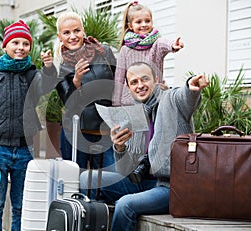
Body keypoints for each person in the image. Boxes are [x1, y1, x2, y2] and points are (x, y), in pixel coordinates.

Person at [80, 61, 209, 231]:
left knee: (125, 205)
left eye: (144, 79)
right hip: (139, 181)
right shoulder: (134, 114)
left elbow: (185, 97)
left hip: (170, 187)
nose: (140, 85)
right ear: (127, 86)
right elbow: (124, 170)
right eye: (134, 82)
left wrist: (190, 85)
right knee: (86, 179)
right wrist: (119, 148)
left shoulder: (171, 99)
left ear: (156, 79)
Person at [0, 20, 58, 231]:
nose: (20, 47)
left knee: (20, 207)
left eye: (25, 44)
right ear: (5, 45)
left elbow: (46, 88)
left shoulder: (32, 74)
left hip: (24, 150)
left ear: (30, 47)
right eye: (15, 42)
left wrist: (49, 68)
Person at [54, 12, 116, 171]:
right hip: (75, 132)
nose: (73, 36)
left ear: (83, 31)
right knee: (74, 182)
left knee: (106, 182)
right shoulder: (59, 64)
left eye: (76, 30)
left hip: (105, 129)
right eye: (66, 33)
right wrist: (76, 80)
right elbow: (68, 103)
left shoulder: (104, 52)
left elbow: (119, 83)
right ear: (59, 36)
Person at [112, 1, 184, 106]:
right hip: (131, 103)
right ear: (130, 25)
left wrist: (173, 45)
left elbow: (163, 43)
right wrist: (116, 105)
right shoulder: (125, 50)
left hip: (154, 100)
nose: (144, 25)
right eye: (139, 22)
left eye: (147, 21)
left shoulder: (156, 44)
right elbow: (119, 78)